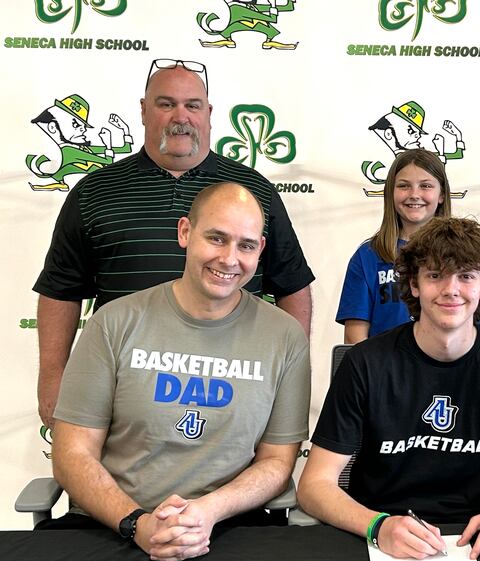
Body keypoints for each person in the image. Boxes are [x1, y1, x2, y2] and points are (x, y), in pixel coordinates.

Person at [33, 58, 314, 430]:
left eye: (192, 105)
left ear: (209, 113)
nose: (180, 116)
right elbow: (60, 291)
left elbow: (292, 286)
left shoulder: (253, 192)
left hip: (231, 386)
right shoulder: (94, 192)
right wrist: (53, 381)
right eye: (166, 104)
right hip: (120, 388)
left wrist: (287, 378)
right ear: (144, 111)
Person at [49, 182, 311, 561]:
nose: (229, 259)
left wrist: (206, 512)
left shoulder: (285, 336)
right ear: (185, 232)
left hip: (229, 528)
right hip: (112, 527)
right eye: (216, 238)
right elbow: (72, 452)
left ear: (261, 252)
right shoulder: (114, 322)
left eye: (246, 245)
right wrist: (137, 523)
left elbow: (276, 463)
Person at [299, 217, 480, 561]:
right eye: (435, 275)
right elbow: (315, 484)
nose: (451, 289)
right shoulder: (365, 364)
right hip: (378, 533)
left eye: (465, 275)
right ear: (414, 285)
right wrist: (377, 526)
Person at [337, 149, 480, 343]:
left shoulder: (467, 252)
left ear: (442, 195)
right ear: (390, 193)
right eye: (404, 186)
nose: (414, 194)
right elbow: (355, 339)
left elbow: (478, 332)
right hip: (384, 369)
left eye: (425, 186)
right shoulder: (367, 256)